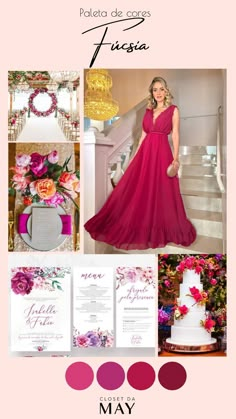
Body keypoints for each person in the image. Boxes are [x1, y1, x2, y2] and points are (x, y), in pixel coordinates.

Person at [84, 76, 196, 250]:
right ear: (152, 92)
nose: (158, 93)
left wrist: (176, 158)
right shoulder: (148, 110)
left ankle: (160, 225)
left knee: (162, 189)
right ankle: (142, 222)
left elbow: (175, 135)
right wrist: (136, 156)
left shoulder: (174, 110)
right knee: (141, 188)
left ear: (166, 91)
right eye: (154, 90)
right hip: (146, 152)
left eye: (161, 89)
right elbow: (143, 135)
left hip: (162, 152)